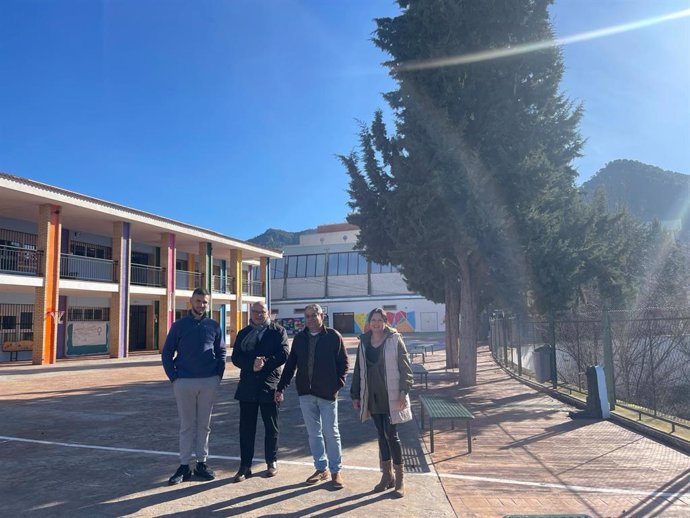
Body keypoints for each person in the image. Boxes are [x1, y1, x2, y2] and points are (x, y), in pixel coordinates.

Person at [275, 303, 349, 488]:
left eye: (313, 315)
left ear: (321, 316)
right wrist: (281, 387)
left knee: (331, 433)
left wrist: (337, 384)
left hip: (327, 395)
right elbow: (291, 365)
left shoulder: (333, 336)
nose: (309, 319)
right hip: (306, 395)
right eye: (307, 316)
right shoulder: (300, 339)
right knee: (314, 434)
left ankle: (335, 471)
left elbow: (344, 364)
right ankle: (321, 468)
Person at [162, 287, 226, 485]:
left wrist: (218, 376)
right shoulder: (179, 326)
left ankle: (201, 463)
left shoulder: (214, 326)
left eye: (205, 302)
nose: (201, 305)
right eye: (198, 301)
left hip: (208, 382)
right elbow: (167, 353)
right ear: (191, 301)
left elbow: (221, 352)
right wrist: (175, 378)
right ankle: (184, 465)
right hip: (184, 382)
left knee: (204, 425)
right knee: (187, 425)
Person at [351, 308, 413, 498]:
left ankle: (400, 479)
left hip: (391, 394)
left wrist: (404, 391)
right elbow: (358, 369)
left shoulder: (394, 339)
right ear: (369, 323)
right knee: (380, 434)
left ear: (386, 322)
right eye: (373, 320)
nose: (376, 323)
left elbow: (405, 368)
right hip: (373, 395)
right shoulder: (364, 342)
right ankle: (387, 476)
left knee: (391, 435)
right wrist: (355, 394)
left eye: (380, 320)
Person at [231, 301, 289, 482]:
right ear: (251, 313)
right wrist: (251, 365)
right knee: (246, 429)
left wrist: (265, 363)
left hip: (269, 386)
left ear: (268, 313)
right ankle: (244, 466)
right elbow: (236, 357)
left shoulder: (278, 331)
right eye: (255, 311)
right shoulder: (244, 333)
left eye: (262, 312)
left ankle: (271, 462)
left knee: (271, 427)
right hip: (247, 387)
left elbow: (284, 353)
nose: (258, 315)